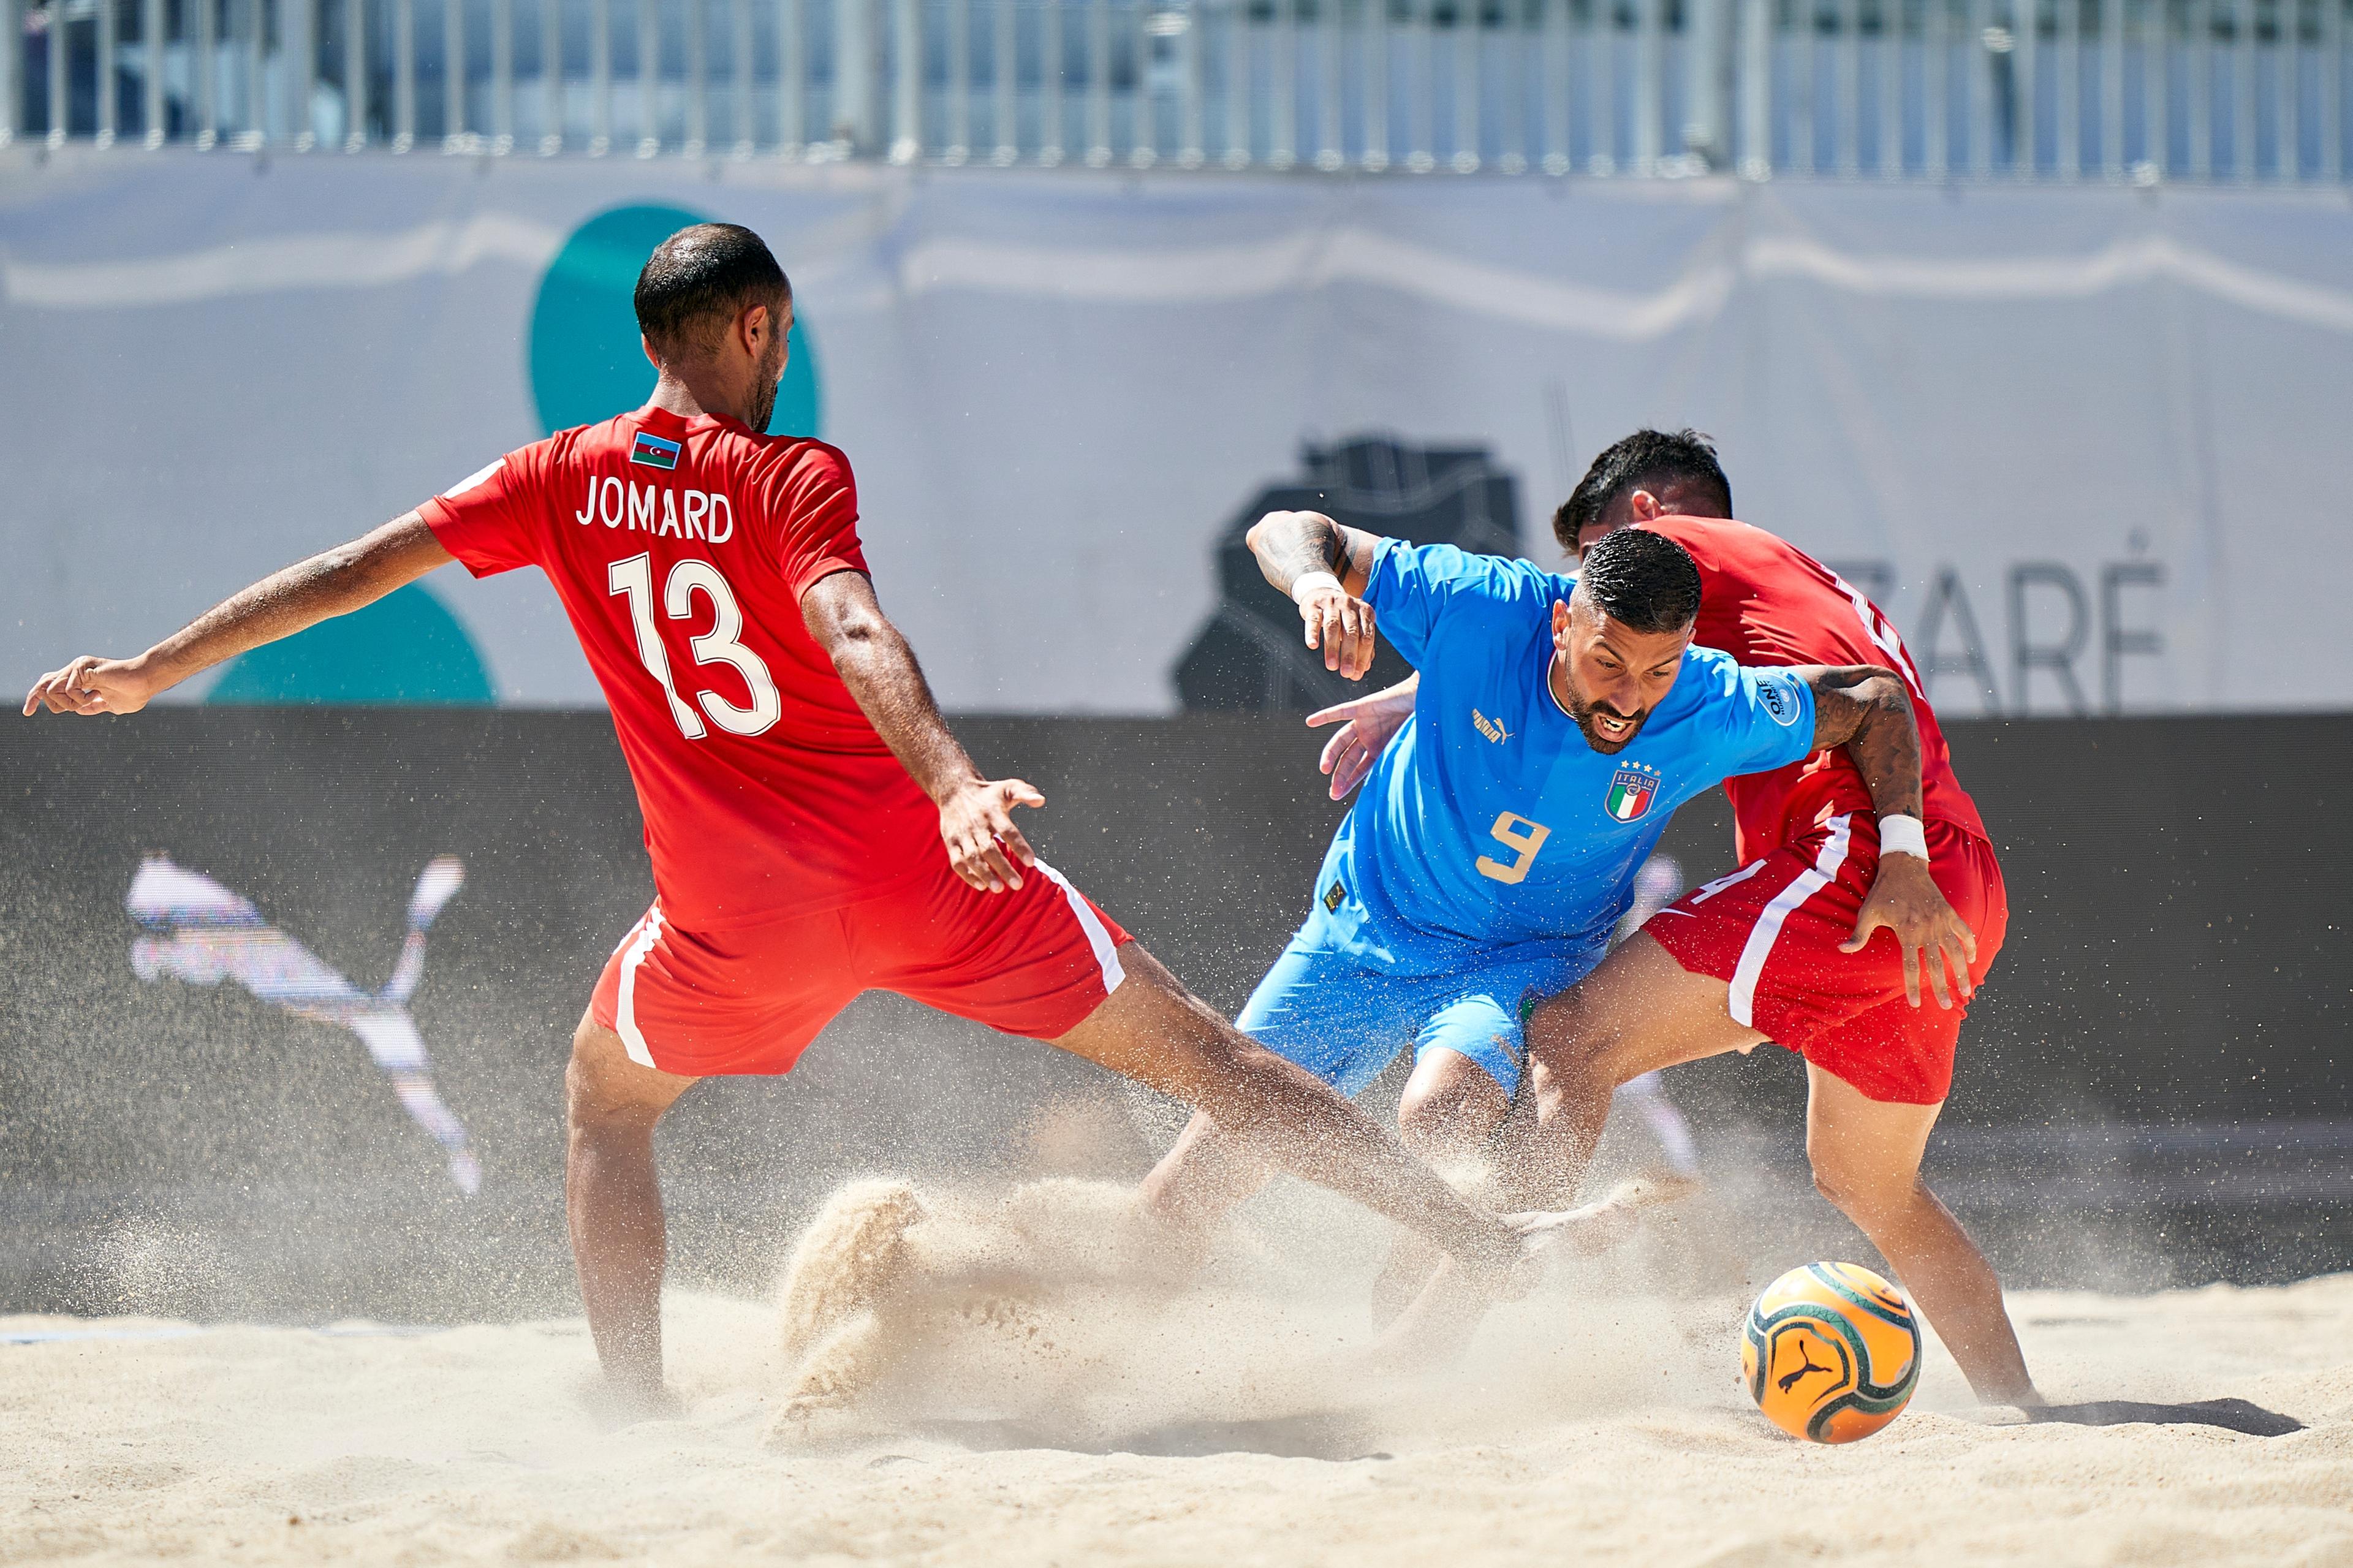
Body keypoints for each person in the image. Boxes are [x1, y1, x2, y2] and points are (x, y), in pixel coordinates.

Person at [21, 222, 1559, 1409]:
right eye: (780, 334)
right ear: (754, 329)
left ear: (646, 341)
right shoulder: (787, 471)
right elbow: (853, 630)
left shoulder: (558, 476)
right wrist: (956, 783)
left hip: (728, 925)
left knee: (605, 1106)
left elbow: (351, 569)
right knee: (1221, 1062)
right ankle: (1475, 1236)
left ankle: (632, 1410)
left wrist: (167, 661)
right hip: (920, 876)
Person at [1306, 429, 2040, 1406]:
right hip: (1954, 889)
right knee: (1870, 1185)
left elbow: (1523, 628)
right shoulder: (1793, 586)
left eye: (1601, 554)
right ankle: (2018, 1404)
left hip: (1864, 869)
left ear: (1649, 517)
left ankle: (1426, 1340)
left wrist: (1895, 860)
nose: (1599, 596)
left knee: (1573, 1036)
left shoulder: (1687, 547)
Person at [1137, 507, 1972, 1330]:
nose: (1629, 700)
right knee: (1188, 1189)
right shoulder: (1484, 603)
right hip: (1366, 933)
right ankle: (1088, 1362)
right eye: (1609, 662)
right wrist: (1317, 583)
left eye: (1659, 670)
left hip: (1523, 960)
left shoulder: (1705, 703)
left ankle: (1428, 1291)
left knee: (1441, 1115)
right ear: (1564, 619)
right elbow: (1283, 529)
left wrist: (1903, 857)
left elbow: (1872, 696)